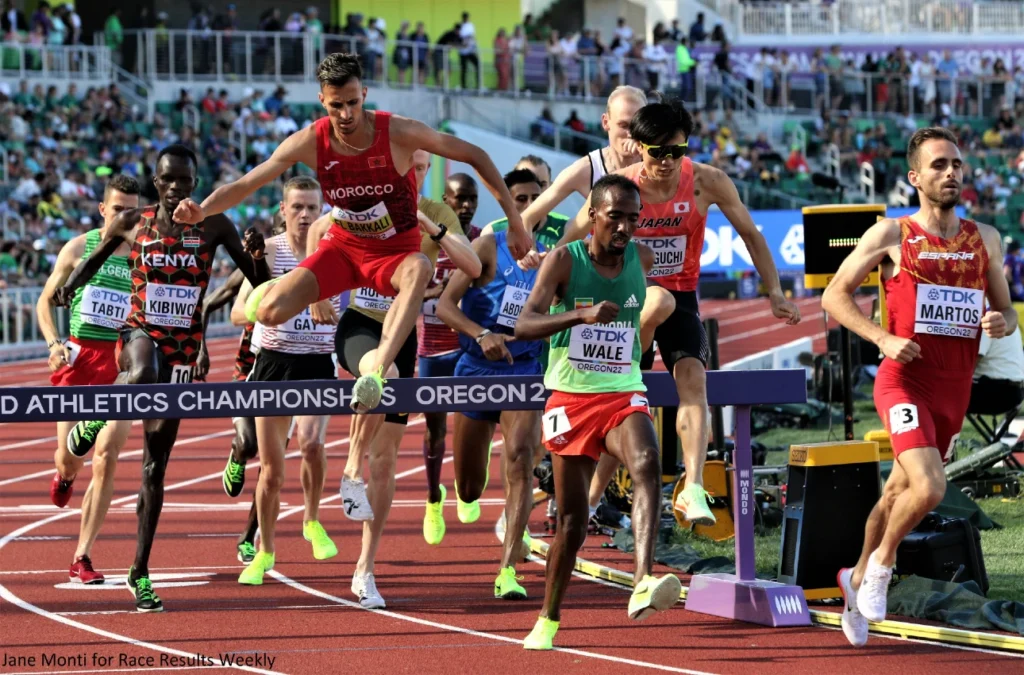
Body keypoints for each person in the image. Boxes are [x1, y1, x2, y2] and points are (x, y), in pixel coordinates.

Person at [172, 52, 530, 415]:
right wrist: (203, 208)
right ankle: (269, 291)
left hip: (394, 255)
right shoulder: (311, 141)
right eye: (336, 105)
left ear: (365, 93)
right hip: (342, 250)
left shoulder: (400, 133)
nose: (345, 115)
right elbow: (249, 181)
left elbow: (477, 155)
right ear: (321, 100)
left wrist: (515, 222)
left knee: (420, 267)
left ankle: (373, 376)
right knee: (267, 313)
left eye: (353, 103)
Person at [561, 100, 801, 527]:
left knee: (693, 379)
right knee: (623, 398)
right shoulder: (621, 190)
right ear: (637, 147)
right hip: (627, 300)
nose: (668, 162)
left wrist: (776, 292)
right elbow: (573, 237)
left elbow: (750, 234)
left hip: (682, 296)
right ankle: (589, 500)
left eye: (677, 151)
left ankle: (691, 487)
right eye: (657, 152)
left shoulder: (707, 181)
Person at [821, 127, 1016, 647]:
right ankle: (883, 566)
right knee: (929, 488)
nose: (950, 172)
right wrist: (881, 337)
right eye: (938, 165)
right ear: (915, 178)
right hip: (903, 381)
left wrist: (1002, 323)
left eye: (956, 163)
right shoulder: (891, 235)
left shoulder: (986, 239)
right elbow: (835, 298)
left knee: (897, 493)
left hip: (956, 389)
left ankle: (855, 578)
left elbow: (1006, 312)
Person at [53, 144, 270, 612]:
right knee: (143, 368)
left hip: (184, 353)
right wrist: (68, 290)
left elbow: (260, 280)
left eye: (185, 181)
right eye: (168, 180)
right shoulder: (136, 222)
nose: (176, 188)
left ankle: (140, 571)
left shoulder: (214, 225)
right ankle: (95, 419)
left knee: (154, 467)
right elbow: (93, 260)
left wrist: (258, 255)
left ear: (196, 182)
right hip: (139, 333)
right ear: (157, 182)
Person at [515, 174, 680, 650]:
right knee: (571, 524)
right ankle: (548, 616)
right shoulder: (565, 260)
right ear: (592, 216)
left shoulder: (642, 259)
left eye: (633, 218)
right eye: (616, 217)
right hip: (569, 398)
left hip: (621, 391)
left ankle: (643, 579)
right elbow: (524, 324)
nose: (626, 228)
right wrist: (579, 316)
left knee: (647, 462)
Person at [313, 148, 480, 608]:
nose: (414, 174)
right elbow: (316, 228)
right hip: (361, 323)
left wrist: (434, 231)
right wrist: (315, 294)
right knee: (378, 370)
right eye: (407, 167)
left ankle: (365, 568)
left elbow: (472, 266)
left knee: (385, 461)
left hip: (403, 334)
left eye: (422, 169)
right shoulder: (363, 200)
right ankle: (349, 469)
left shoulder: (434, 211)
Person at [434, 168, 547, 600]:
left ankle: (506, 570)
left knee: (520, 460)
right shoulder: (486, 245)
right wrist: (482, 334)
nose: (528, 206)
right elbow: (445, 305)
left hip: (523, 369)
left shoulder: (551, 254)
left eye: (537, 198)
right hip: (477, 367)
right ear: (507, 204)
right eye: (519, 199)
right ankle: (462, 492)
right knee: (469, 486)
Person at [230, 176, 344, 585]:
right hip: (274, 363)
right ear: (283, 211)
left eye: (312, 208)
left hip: (317, 362)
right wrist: (270, 300)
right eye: (297, 207)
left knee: (312, 444)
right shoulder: (270, 252)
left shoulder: (335, 253)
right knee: (272, 472)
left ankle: (312, 520)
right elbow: (237, 314)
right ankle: (264, 552)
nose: (304, 215)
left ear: (323, 212)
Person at [38, 174, 141, 584]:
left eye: (131, 210)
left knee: (106, 456)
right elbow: (46, 301)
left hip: (120, 366)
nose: (124, 217)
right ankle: (63, 476)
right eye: (117, 209)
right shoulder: (78, 248)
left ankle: (82, 555)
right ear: (103, 210)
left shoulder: (141, 255)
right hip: (79, 362)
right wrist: (52, 344)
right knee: (71, 458)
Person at [420, 172, 482, 545]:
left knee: (472, 425)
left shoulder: (480, 241)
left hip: (467, 348)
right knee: (435, 431)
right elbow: (407, 290)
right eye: (459, 199)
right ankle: (432, 498)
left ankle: (465, 485)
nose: (466, 206)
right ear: (445, 199)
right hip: (432, 349)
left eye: (472, 199)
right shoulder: (429, 238)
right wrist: (439, 291)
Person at [518, 86, 647, 234]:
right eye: (623, 125)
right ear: (606, 122)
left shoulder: (661, 163)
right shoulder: (587, 169)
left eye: (637, 126)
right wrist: (529, 252)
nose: (630, 134)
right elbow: (527, 218)